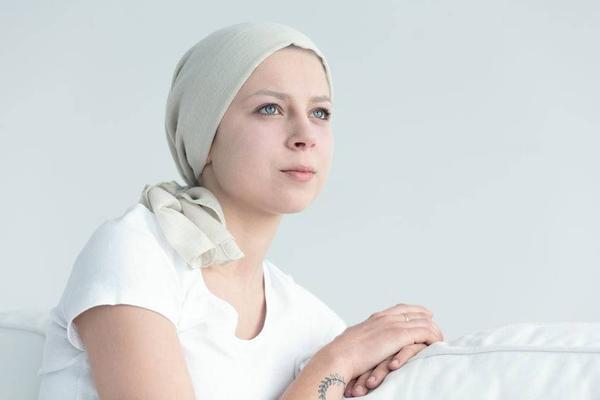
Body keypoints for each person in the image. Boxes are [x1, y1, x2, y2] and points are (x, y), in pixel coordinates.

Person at [37, 21, 444, 399]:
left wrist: (412, 354)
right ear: (205, 135)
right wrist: (337, 361)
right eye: (270, 108)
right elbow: (335, 364)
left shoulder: (312, 323)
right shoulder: (137, 251)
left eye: (320, 112)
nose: (305, 135)